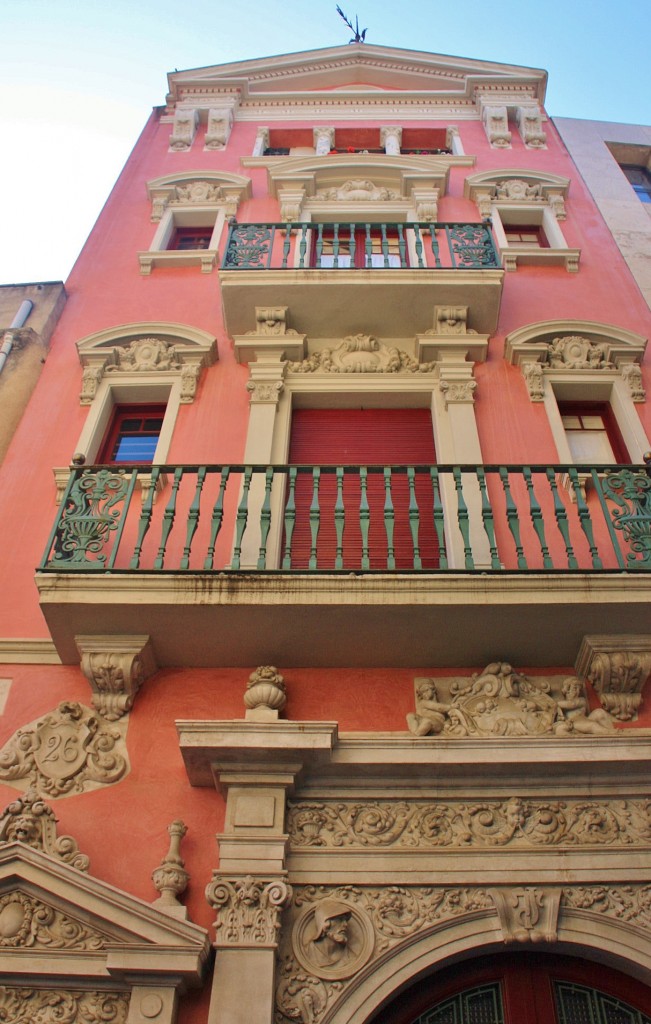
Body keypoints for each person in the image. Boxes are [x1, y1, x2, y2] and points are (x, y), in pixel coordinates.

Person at [306, 900, 354, 968]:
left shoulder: (350, 957)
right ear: (326, 923)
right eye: (340, 919)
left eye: (345, 920)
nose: (345, 924)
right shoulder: (308, 952)